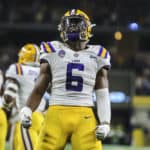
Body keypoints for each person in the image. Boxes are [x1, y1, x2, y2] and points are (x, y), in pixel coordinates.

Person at [20, 9, 111, 150]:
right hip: (56, 113)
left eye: (77, 23)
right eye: (70, 23)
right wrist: (28, 109)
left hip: (84, 115)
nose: (73, 27)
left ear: (88, 27)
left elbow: (102, 93)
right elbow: (40, 87)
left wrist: (105, 122)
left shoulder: (98, 53)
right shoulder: (52, 50)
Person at [4, 43, 45, 150]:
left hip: (25, 117)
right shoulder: (43, 71)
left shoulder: (17, 69)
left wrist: (6, 104)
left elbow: (9, 93)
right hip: (41, 118)